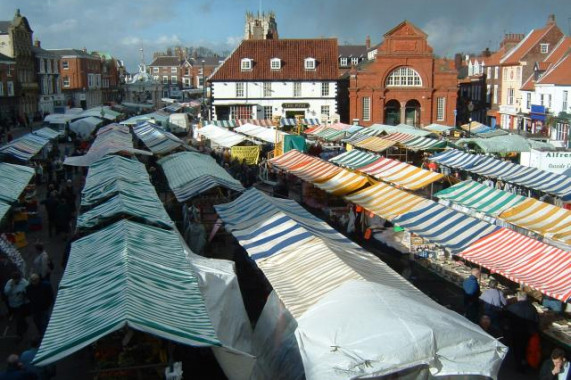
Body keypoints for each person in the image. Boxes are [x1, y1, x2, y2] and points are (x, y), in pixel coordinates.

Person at [505, 291, 539, 372]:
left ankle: (519, 365)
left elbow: (506, 320)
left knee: (517, 349)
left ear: (518, 298)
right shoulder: (532, 308)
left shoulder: (512, 307)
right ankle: (525, 362)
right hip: (528, 333)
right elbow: (536, 321)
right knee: (526, 349)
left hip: (516, 332)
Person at [3, 272, 30, 338]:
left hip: (20, 304)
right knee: (20, 318)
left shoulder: (24, 283)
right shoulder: (9, 283)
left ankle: (19, 334)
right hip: (12, 304)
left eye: (17, 279)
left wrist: (23, 293)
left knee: (19, 319)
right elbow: (6, 292)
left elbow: (28, 291)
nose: (16, 281)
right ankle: (25, 325)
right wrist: (11, 287)